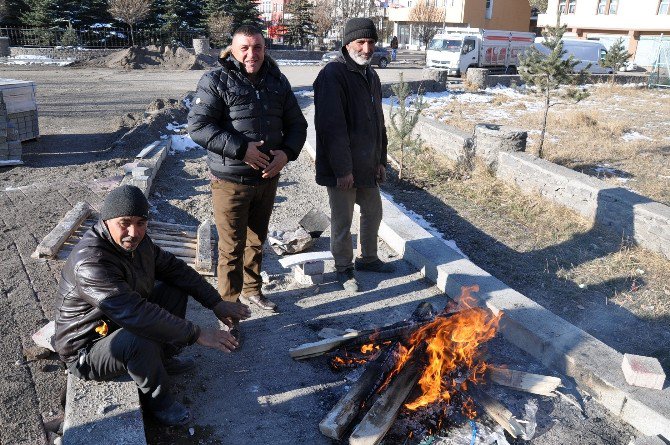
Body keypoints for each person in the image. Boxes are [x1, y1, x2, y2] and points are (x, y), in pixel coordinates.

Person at [54, 185, 252, 426]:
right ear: (106, 221)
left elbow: (174, 269)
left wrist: (215, 302)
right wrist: (197, 333)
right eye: (124, 222)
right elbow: (135, 313)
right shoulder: (91, 263)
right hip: (87, 348)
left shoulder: (140, 244)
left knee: (174, 289)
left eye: (141, 222)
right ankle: (160, 403)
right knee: (137, 339)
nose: (133, 232)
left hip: (115, 323)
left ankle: (163, 360)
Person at [188, 26, 307, 319]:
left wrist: (287, 153)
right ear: (233, 49)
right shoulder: (215, 80)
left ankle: (253, 291)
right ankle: (228, 311)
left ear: (265, 49)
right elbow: (199, 127)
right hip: (230, 181)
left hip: (267, 180)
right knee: (231, 248)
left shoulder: (277, 82)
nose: (251, 54)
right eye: (245, 48)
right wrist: (242, 149)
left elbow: (298, 125)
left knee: (257, 240)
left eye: (257, 47)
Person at [313, 18, 395, 293]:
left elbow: (378, 122)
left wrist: (381, 159)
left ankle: (368, 258)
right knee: (342, 221)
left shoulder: (370, 75)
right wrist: (342, 169)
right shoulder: (333, 74)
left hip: (367, 164)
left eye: (371, 42)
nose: (367, 47)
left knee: (373, 212)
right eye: (361, 42)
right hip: (343, 169)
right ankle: (343, 268)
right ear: (348, 44)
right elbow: (331, 127)